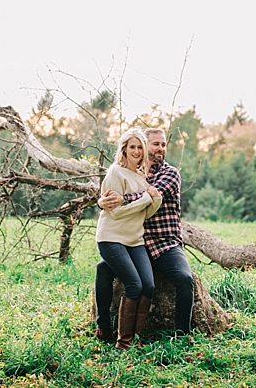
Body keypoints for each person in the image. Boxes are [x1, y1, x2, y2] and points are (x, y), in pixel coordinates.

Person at [96, 128, 195, 337]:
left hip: (163, 243)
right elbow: (116, 191)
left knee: (185, 278)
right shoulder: (133, 171)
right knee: (103, 269)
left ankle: (182, 334)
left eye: (163, 144)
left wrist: (119, 199)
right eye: (155, 144)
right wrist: (102, 201)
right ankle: (103, 326)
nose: (160, 148)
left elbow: (149, 195)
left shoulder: (169, 173)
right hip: (134, 241)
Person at [95, 128, 163, 349]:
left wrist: (156, 200)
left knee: (149, 286)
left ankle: (137, 338)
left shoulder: (142, 176)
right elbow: (116, 212)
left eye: (139, 147)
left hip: (135, 240)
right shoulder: (115, 172)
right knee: (134, 285)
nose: (136, 151)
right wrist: (146, 198)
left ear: (144, 151)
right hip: (111, 237)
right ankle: (123, 343)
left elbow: (144, 213)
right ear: (124, 150)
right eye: (131, 147)